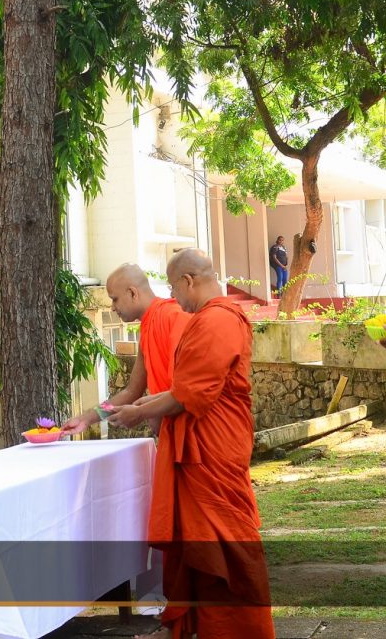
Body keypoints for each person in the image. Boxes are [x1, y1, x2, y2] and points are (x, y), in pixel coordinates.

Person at [109, 248, 275, 639]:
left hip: (212, 450)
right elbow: (174, 388)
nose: (172, 295)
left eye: (173, 287)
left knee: (226, 547)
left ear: (188, 281)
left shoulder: (216, 320)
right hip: (199, 446)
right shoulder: (201, 319)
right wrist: (133, 407)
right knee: (198, 549)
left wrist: (139, 412)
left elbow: (190, 395)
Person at [61, 263, 192, 436]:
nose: (112, 307)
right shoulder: (147, 327)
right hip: (169, 436)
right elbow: (131, 391)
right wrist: (87, 419)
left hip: (192, 433)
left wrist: (142, 412)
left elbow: (188, 390)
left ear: (132, 293)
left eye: (115, 299)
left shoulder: (175, 317)